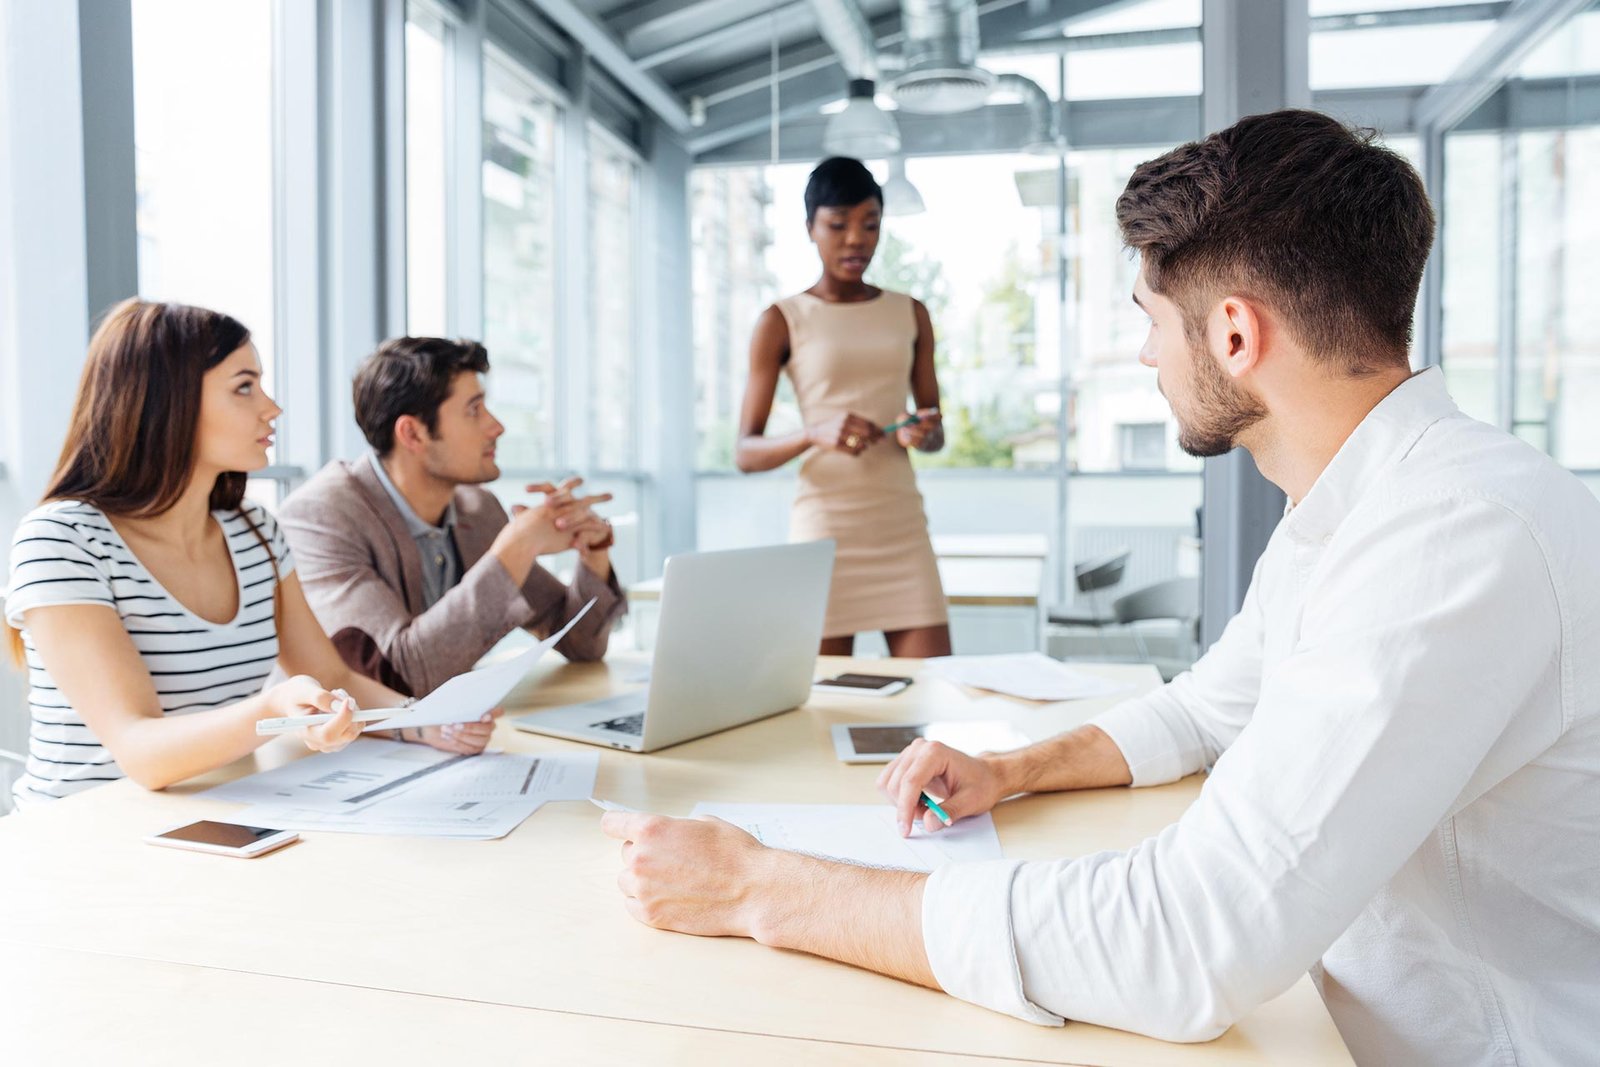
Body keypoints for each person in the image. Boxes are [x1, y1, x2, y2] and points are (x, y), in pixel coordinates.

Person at [599, 110, 1600, 1066]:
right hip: (1329, 1019)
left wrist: (759, 885)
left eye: (1151, 320)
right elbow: (1210, 708)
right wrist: (1017, 768)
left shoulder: (1454, 537)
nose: (1144, 354)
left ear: (1235, 335)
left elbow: (1187, 935)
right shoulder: (1354, 506)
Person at [3, 301, 496, 809]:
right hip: (84, 841)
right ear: (165, 402)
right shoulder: (62, 540)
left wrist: (424, 722)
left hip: (214, 819)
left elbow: (335, 678)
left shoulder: (255, 531)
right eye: (244, 387)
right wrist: (275, 710)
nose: (271, 407)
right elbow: (140, 750)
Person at [277, 336, 626, 699]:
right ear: (412, 433)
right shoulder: (321, 517)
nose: (497, 426)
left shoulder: (477, 508)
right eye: (474, 410)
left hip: (447, 739)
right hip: (328, 746)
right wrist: (518, 547)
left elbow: (582, 643)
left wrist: (593, 551)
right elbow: (401, 676)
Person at [735, 157, 951, 657]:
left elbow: (934, 428)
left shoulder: (910, 312)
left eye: (870, 225)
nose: (856, 240)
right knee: (822, 709)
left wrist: (920, 433)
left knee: (933, 691)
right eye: (838, 225)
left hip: (900, 527)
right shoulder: (780, 320)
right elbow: (745, 454)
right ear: (810, 228)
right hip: (824, 530)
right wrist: (813, 433)